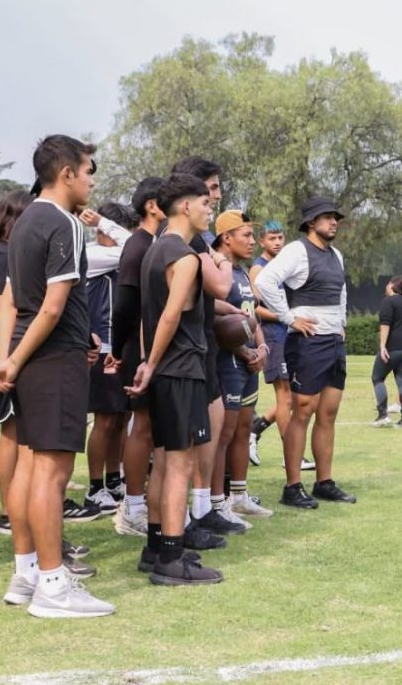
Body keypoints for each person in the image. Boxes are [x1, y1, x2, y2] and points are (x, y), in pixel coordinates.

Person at [0, 134, 115, 617]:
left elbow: (14, 301)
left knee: (33, 464)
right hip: (52, 359)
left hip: (31, 357)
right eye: (88, 170)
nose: (91, 180)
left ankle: (27, 573)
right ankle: (54, 585)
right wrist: (13, 363)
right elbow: (53, 306)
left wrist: (10, 358)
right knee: (52, 472)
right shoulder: (61, 222)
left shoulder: (22, 224)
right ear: (67, 174)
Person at [125, 172, 224, 585]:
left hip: (165, 367)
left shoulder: (153, 250)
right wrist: (151, 363)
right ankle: (171, 556)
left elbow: (152, 317)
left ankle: (154, 548)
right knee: (179, 463)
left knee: (164, 459)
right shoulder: (182, 255)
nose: (210, 210)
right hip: (182, 367)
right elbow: (171, 313)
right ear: (186, 205)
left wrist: (149, 361)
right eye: (206, 203)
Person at [254, 196, 357, 509]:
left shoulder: (336, 255)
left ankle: (324, 482)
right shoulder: (297, 251)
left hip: (333, 342)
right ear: (311, 223)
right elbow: (266, 282)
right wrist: (288, 318)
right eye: (327, 217)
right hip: (308, 342)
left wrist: (341, 324)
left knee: (328, 413)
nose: (333, 222)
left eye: (335, 217)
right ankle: (292, 486)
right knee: (303, 411)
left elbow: (341, 292)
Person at [171, 156, 244, 544]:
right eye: (211, 190)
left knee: (210, 431)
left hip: (203, 344)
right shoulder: (183, 244)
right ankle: (170, 522)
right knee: (176, 447)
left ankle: (201, 509)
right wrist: (222, 261)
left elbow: (212, 297)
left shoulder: (196, 242)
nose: (216, 197)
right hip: (182, 353)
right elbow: (218, 286)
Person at [108, 177, 165, 538]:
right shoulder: (137, 246)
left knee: (153, 426)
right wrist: (118, 352)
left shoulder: (158, 244)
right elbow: (124, 306)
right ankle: (132, 507)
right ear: (152, 206)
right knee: (141, 426)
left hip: (153, 349)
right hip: (136, 349)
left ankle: (146, 499)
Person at [211, 210, 271, 521]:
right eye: (245, 235)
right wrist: (241, 351)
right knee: (224, 432)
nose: (252, 241)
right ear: (226, 238)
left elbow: (253, 315)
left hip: (248, 363)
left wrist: (261, 347)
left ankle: (238, 494)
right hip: (228, 362)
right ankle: (217, 501)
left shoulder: (243, 272)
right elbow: (215, 321)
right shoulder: (216, 272)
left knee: (244, 429)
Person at [0, 190, 33, 536]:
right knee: (12, 432)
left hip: (13, 353)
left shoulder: (9, 253)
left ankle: (18, 503)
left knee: (19, 432)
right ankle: (6, 510)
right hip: (3, 353)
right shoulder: (2, 255)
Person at [79, 201, 136, 516]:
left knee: (120, 418)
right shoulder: (94, 254)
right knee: (103, 420)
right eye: (118, 229)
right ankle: (94, 486)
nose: (123, 236)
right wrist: (102, 222)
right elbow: (130, 248)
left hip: (121, 348)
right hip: (101, 349)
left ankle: (114, 478)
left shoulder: (115, 253)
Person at [248, 222, 315, 471]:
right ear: (262, 241)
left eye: (280, 237)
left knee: (296, 397)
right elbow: (254, 307)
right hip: (274, 335)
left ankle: (255, 430)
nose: (277, 242)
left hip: (290, 334)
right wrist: (285, 317)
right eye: (272, 238)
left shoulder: (284, 263)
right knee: (286, 397)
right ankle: (293, 456)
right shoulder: (258, 268)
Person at [372, 276, 402, 429]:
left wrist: (383, 346)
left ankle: (383, 415)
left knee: (377, 377)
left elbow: (385, 324)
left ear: (392, 285)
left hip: (393, 348)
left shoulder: (388, 301)